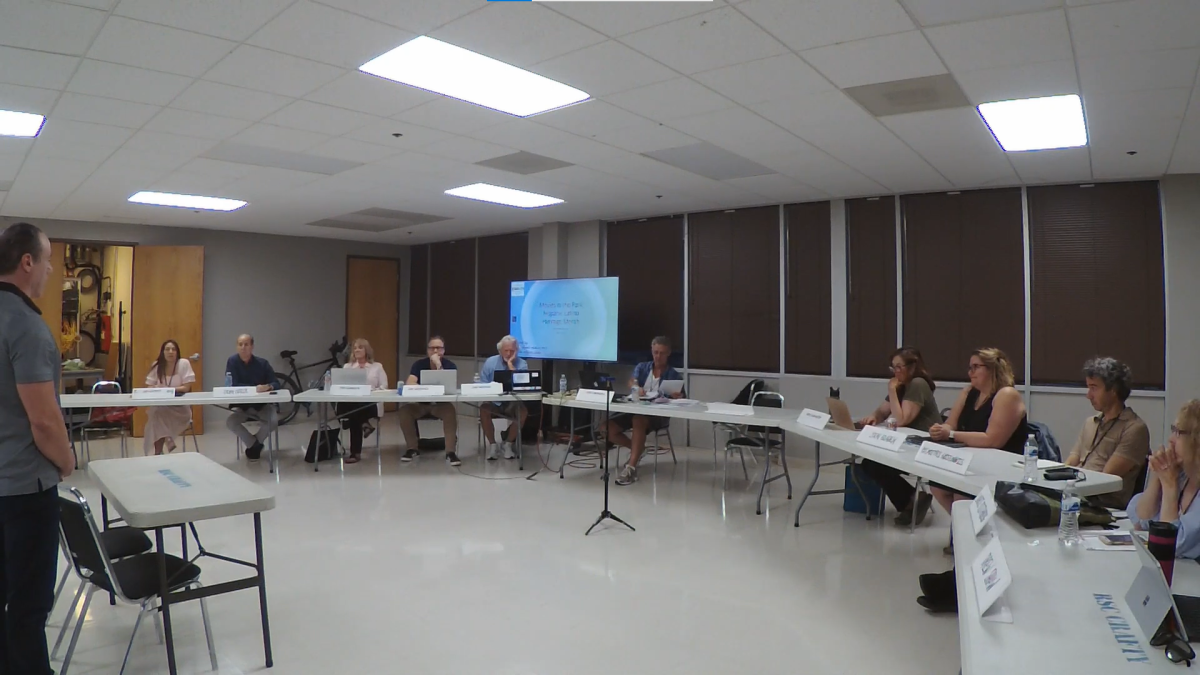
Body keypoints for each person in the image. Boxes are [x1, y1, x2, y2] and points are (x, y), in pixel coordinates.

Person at [0, 222, 76, 675]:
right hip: (24, 492)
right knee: (27, 607)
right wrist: (67, 463)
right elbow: (44, 421)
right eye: (47, 260)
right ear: (27, 262)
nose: (50, 270)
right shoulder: (26, 326)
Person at [928, 347, 1029, 554]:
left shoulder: (1006, 395)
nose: (970, 372)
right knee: (937, 485)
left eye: (976, 367)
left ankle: (968, 541)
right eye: (969, 368)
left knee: (960, 493)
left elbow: (993, 440)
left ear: (992, 369)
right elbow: (951, 424)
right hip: (971, 459)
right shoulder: (969, 392)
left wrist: (952, 435)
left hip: (1000, 466)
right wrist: (941, 430)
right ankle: (968, 532)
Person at [857, 347, 943, 525]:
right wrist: (874, 416)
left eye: (899, 367)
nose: (895, 372)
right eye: (893, 367)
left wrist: (891, 390)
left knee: (874, 465)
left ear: (912, 367)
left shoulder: (918, 383)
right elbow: (883, 410)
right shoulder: (901, 385)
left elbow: (901, 420)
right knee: (870, 463)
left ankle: (910, 502)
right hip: (906, 443)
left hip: (923, 445)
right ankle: (912, 500)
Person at [1064, 357, 1150, 509]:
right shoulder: (1090, 423)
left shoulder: (1135, 429)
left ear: (1113, 390)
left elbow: (1105, 479)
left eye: (1094, 388)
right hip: (1077, 494)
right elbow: (1071, 461)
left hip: (1103, 506)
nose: (1088, 395)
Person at [1128, 400, 1200, 559]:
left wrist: (1169, 486)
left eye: (1179, 433)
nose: (1171, 440)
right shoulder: (1183, 475)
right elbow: (1141, 520)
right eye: (1172, 430)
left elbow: (1172, 544)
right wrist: (1159, 477)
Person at [612, 336, 684, 486]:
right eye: (655, 352)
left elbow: (683, 398)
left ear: (668, 353)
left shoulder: (674, 374)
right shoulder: (642, 367)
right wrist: (636, 387)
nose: (658, 356)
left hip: (657, 415)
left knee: (638, 420)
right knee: (606, 428)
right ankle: (638, 449)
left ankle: (631, 467)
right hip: (636, 408)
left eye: (662, 353)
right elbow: (632, 381)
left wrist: (676, 396)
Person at [399, 335, 460, 466]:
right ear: (427, 350)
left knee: (450, 411)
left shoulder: (450, 365)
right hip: (420, 404)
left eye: (439, 348)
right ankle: (412, 448)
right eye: (432, 348)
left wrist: (438, 365)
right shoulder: (419, 364)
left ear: (444, 350)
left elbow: (448, 386)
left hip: (440, 405)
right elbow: (410, 382)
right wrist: (425, 389)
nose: (435, 351)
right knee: (405, 411)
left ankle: (450, 452)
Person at [224, 334, 281, 461]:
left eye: (246, 344)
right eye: (240, 344)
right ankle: (254, 444)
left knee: (273, 421)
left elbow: (276, 383)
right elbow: (233, 384)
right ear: (237, 347)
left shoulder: (262, 363)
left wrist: (268, 387)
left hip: (261, 405)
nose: (243, 347)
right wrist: (255, 387)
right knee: (231, 422)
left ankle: (254, 444)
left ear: (252, 346)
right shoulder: (232, 361)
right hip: (242, 406)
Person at [336, 338, 388, 464]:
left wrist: (371, 391)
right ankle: (364, 425)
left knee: (354, 415)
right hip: (352, 401)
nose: (357, 350)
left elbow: (384, 386)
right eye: (355, 348)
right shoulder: (347, 367)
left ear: (367, 350)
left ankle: (355, 452)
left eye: (360, 347)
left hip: (370, 403)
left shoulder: (377, 367)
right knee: (352, 410)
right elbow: (342, 385)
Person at [143, 339, 196, 455]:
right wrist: (156, 389)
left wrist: (164, 390)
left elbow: (186, 388)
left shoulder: (183, 364)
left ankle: (158, 452)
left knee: (155, 415)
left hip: (180, 408)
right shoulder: (157, 366)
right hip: (163, 407)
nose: (170, 352)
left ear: (177, 352)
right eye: (167, 349)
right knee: (157, 413)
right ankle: (166, 439)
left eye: (173, 349)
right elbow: (149, 387)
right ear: (163, 352)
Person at [480, 335, 528, 460]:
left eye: (512, 351)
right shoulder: (490, 362)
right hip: (494, 402)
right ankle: (492, 445)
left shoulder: (522, 364)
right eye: (505, 350)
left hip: (512, 402)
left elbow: (522, 385)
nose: (508, 353)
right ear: (500, 350)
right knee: (484, 409)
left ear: (516, 351)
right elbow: (482, 384)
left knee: (523, 412)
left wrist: (510, 364)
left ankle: (508, 444)